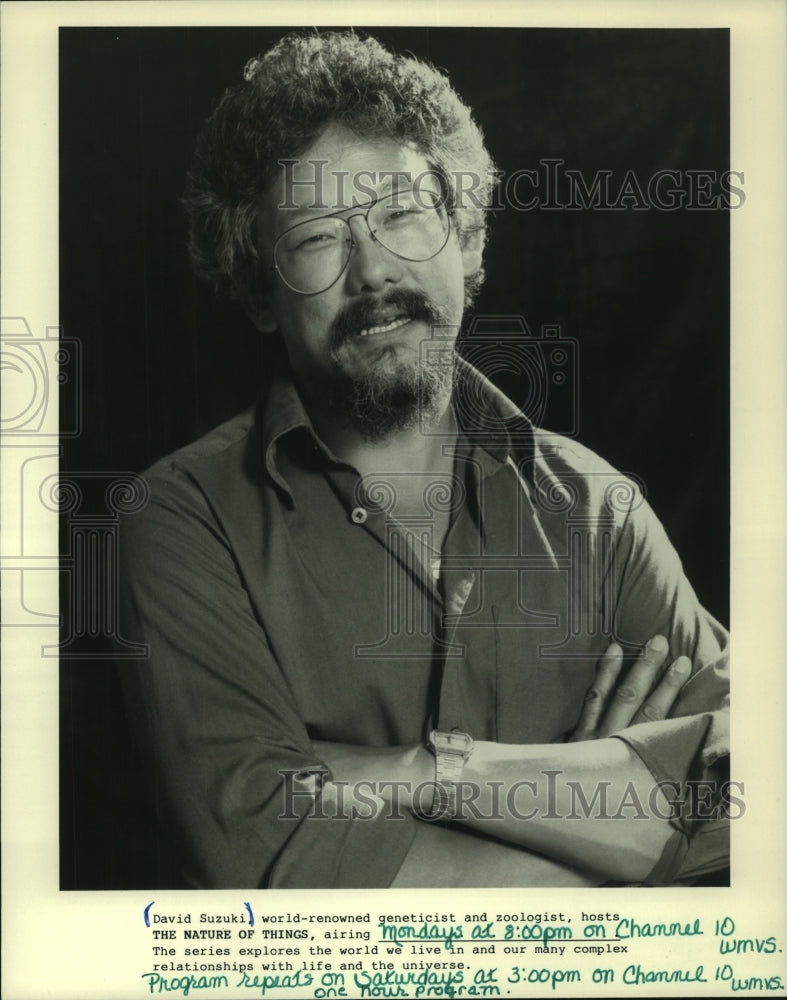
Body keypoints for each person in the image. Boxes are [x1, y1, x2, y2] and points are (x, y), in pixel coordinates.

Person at [118, 30, 729, 889]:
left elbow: (749, 808)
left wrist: (433, 772)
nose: (372, 272)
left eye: (400, 213)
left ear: (466, 239)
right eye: (315, 239)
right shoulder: (183, 523)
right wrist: (603, 813)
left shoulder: (600, 512)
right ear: (259, 294)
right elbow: (279, 866)